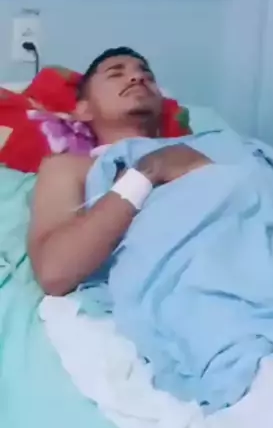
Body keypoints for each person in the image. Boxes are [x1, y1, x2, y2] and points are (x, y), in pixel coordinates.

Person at [28, 47, 211, 297]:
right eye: (116, 74)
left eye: (147, 75)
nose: (138, 78)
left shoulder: (209, 145)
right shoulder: (71, 168)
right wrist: (146, 173)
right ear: (84, 110)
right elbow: (53, 272)